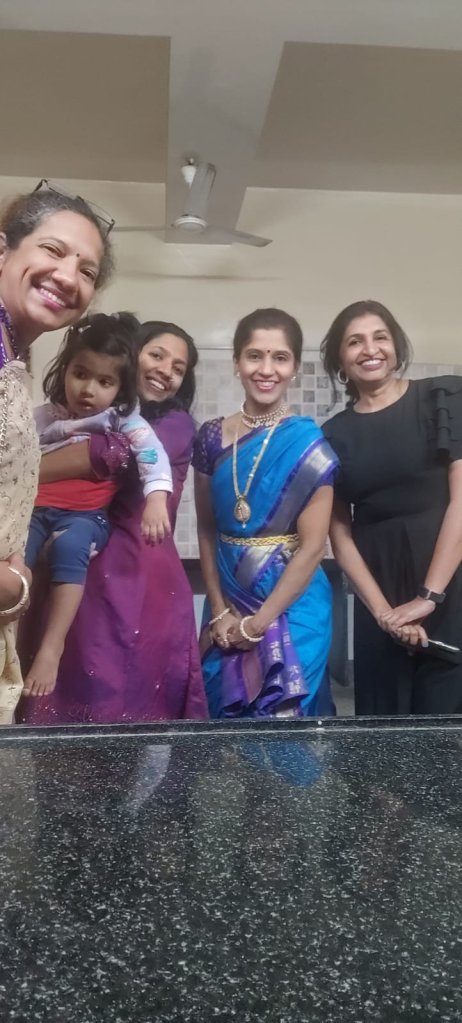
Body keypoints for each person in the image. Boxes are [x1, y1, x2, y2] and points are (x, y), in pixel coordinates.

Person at [18, 321, 208, 723]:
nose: (165, 370)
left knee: (129, 704)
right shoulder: (76, 414)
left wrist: (20, 472)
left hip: (139, 574)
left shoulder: (172, 423)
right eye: (156, 355)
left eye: (178, 368)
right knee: (68, 699)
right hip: (84, 567)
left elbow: (107, 455)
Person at [0, 180, 114, 723]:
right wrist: (13, 585)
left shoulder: (11, 358)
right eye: (52, 249)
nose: (68, 276)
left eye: (87, 271)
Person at [193, 307, 339, 719]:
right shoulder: (210, 437)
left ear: (295, 368)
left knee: (285, 718)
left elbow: (313, 548)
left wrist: (258, 625)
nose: (266, 369)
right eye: (255, 355)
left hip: (294, 605)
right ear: (237, 362)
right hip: (227, 595)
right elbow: (207, 530)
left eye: (280, 357)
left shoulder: (308, 443)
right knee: (227, 721)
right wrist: (219, 610)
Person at [321, 299, 462, 716]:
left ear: (396, 346)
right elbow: (339, 534)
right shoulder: (333, 434)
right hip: (377, 596)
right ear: (340, 360)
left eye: (379, 337)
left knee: (445, 726)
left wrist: (428, 597)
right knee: (383, 729)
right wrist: (384, 614)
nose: (370, 349)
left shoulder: (443, 396)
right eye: (354, 342)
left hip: (451, 587)